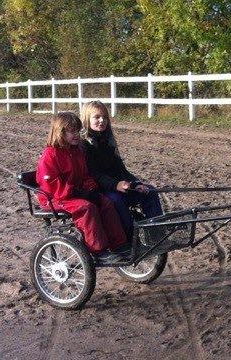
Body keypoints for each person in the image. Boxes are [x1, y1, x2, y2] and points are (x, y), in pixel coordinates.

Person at [37, 111, 129, 264]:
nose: (76, 135)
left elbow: (85, 175)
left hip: (74, 194)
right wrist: (77, 193)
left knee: (105, 203)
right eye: (72, 131)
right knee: (87, 208)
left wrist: (91, 189)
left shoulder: (77, 152)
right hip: (55, 198)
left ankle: (118, 244)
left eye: (78, 131)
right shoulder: (50, 155)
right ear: (60, 132)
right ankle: (98, 251)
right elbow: (52, 185)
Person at [80, 101, 163, 237]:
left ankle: (156, 235)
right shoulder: (83, 145)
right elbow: (94, 174)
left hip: (117, 186)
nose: (102, 121)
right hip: (99, 189)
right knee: (117, 201)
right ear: (86, 119)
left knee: (150, 191)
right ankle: (128, 238)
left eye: (105, 117)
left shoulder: (108, 141)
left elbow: (121, 170)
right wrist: (115, 185)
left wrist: (136, 183)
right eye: (97, 117)